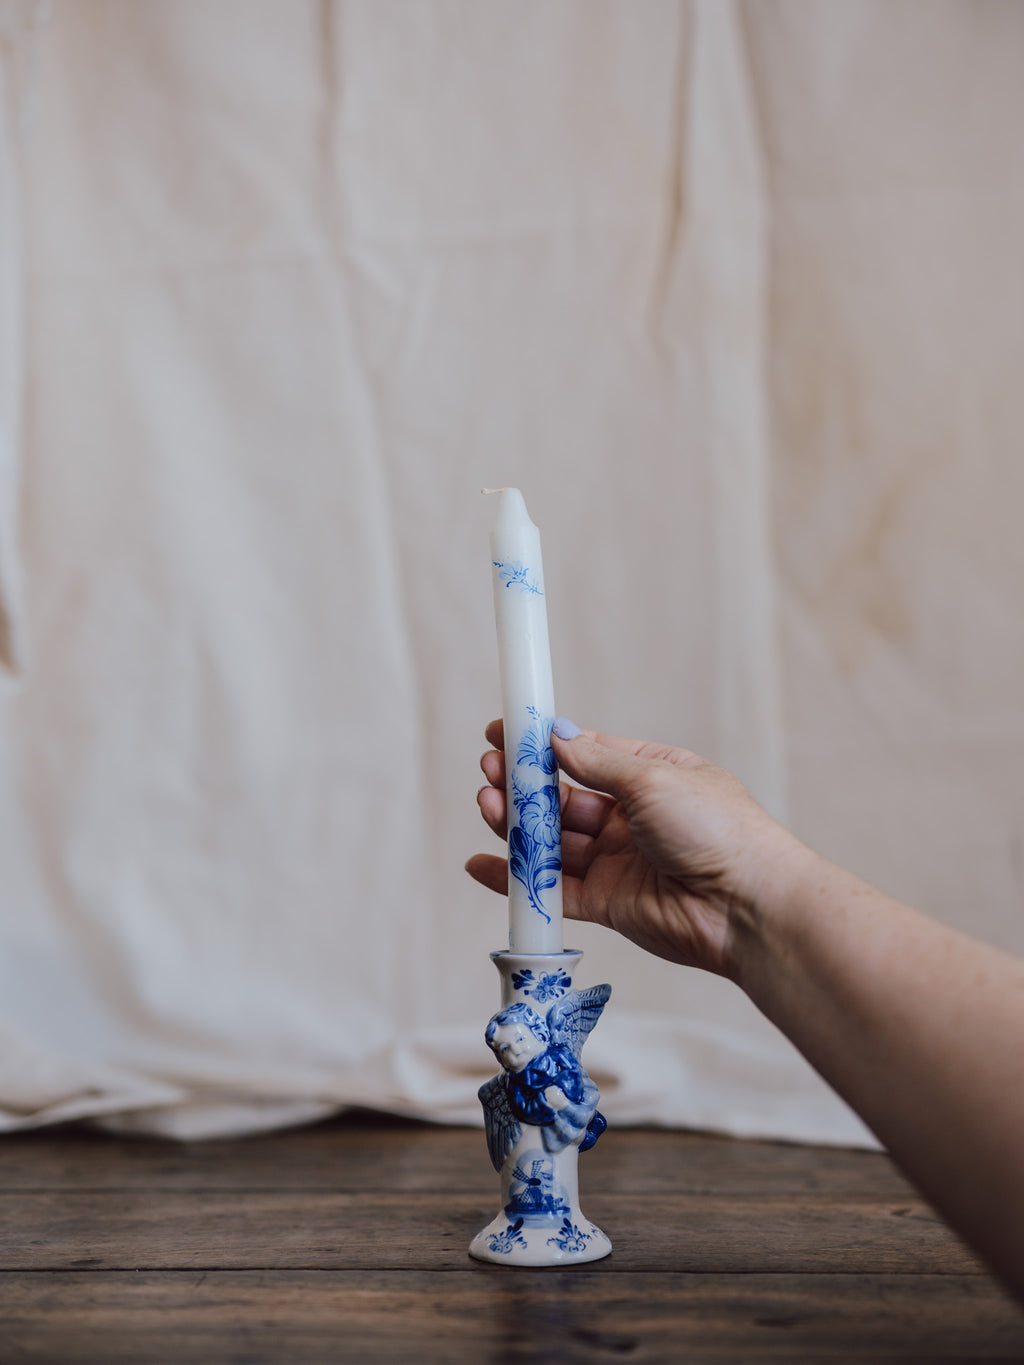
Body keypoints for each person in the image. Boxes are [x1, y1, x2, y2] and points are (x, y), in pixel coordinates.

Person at [466, 717, 1024, 1301]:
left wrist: (749, 886)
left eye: (510, 1044)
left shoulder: (551, 1046)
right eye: (500, 1048)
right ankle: (534, 1210)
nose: (504, 1051)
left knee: (558, 1127)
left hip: (566, 1102)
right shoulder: (512, 1072)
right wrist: (742, 908)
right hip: (546, 1100)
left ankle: (546, 1212)